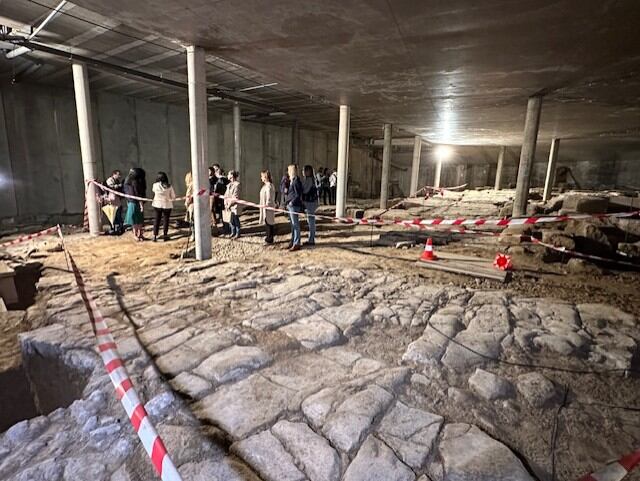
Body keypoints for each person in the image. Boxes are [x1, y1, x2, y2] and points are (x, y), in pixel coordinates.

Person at [123, 167, 146, 241]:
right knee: (137, 220)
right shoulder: (135, 182)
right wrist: (141, 203)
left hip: (131, 202)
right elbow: (137, 193)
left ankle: (139, 234)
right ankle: (137, 234)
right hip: (135, 202)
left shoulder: (127, 180)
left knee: (136, 220)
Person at [151, 172, 176, 242]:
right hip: (167, 205)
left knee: (156, 220)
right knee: (166, 220)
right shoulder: (169, 186)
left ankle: (155, 236)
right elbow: (173, 196)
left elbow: (153, 191)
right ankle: (165, 235)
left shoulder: (155, 185)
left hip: (157, 204)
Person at [285, 164, 304, 251]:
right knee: (292, 225)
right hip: (290, 205)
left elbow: (298, 194)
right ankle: (293, 241)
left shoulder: (296, 181)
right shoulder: (292, 181)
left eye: (289, 170)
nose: (288, 172)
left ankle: (297, 242)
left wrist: (292, 202)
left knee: (295, 225)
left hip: (294, 205)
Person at [302, 165, 319, 246]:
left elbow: (305, 190)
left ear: (308, 171)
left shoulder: (309, 180)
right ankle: (311, 238)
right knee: (311, 221)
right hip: (311, 202)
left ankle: (311, 239)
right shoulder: (312, 179)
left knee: (311, 221)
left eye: (304, 170)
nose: (303, 172)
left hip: (310, 203)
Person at [259, 170, 276, 245]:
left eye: (262, 176)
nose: (261, 178)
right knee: (267, 222)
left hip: (268, 207)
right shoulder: (266, 186)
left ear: (265, 177)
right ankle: (268, 237)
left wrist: (266, 205)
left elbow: (269, 197)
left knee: (269, 222)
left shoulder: (269, 186)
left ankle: (269, 239)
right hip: (265, 207)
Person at [104, 170, 123, 235]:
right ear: (114, 174)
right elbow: (111, 187)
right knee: (113, 216)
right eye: (118, 174)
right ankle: (113, 228)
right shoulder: (110, 180)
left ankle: (119, 228)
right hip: (112, 200)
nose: (119, 176)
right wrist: (118, 186)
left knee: (118, 215)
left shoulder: (117, 180)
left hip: (117, 201)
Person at [224, 170, 241, 239]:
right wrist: (226, 203)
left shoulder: (237, 185)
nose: (227, 175)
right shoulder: (228, 185)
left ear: (232, 176)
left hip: (234, 205)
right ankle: (232, 232)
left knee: (235, 219)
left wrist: (229, 205)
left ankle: (237, 233)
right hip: (228, 205)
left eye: (228, 174)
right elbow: (225, 195)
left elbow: (235, 197)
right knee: (230, 220)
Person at [212, 164, 229, 233]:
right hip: (215, 198)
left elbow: (227, 186)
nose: (215, 171)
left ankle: (226, 228)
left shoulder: (223, 178)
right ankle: (218, 226)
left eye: (216, 169)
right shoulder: (213, 178)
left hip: (222, 198)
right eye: (214, 170)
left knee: (223, 213)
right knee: (217, 212)